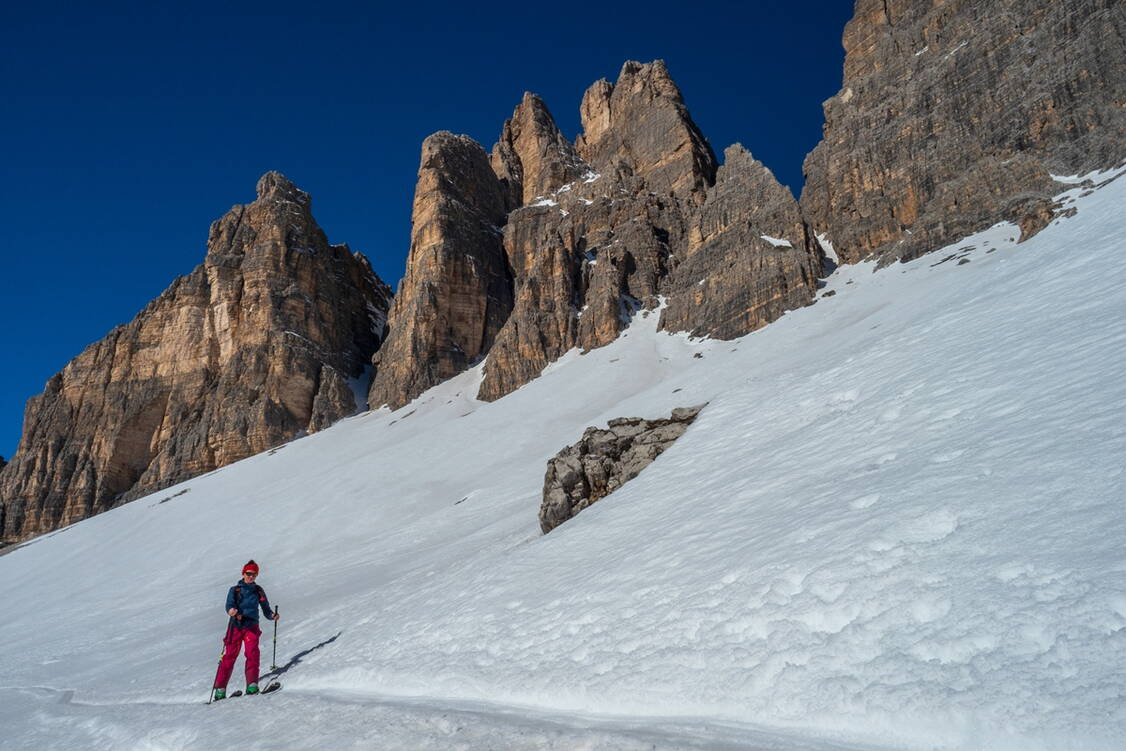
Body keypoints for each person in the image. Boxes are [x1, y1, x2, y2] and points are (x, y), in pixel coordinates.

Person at [212, 560, 279, 700]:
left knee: (252, 654)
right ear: (243, 573)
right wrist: (231, 610)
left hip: (252, 626)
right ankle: (220, 689)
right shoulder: (235, 590)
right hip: (236, 626)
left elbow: (265, 608)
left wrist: (272, 615)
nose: (251, 577)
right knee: (229, 656)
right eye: (249, 574)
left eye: (254, 574)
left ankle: (252, 684)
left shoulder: (258, 590)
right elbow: (229, 604)